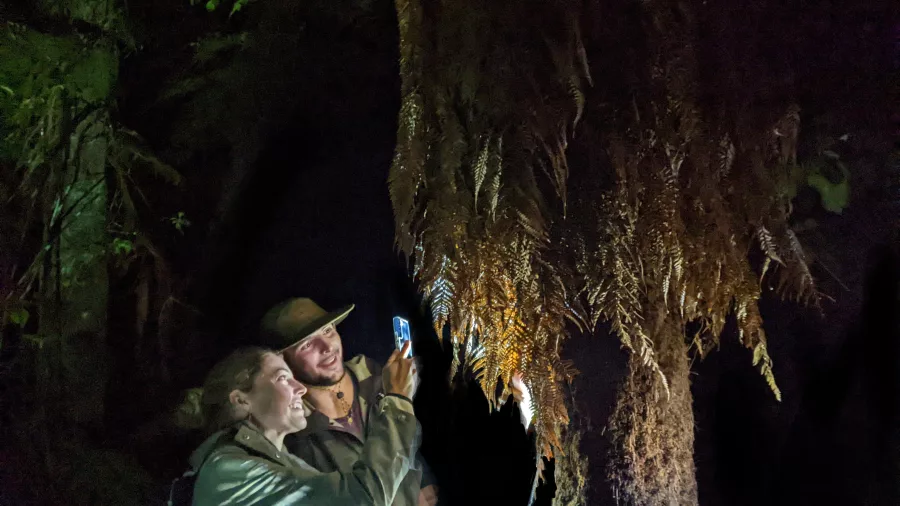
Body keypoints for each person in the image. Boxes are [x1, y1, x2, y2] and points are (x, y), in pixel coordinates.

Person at [188, 342, 419, 505]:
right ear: (241, 400)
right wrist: (398, 400)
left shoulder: (284, 461)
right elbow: (363, 498)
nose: (301, 389)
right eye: (282, 378)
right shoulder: (230, 472)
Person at [259, 298, 439, 506]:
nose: (327, 347)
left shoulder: (374, 375)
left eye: (328, 331)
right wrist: (398, 399)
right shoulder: (291, 428)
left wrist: (423, 479)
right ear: (281, 360)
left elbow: (407, 438)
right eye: (307, 344)